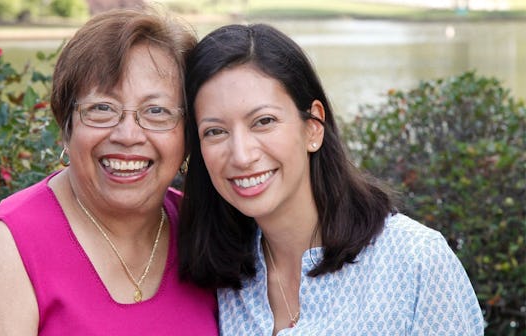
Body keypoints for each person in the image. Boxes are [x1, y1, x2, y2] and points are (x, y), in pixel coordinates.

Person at [178, 23, 484, 335]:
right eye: (215, 131)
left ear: (313, 126)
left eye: (264, 121)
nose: (241, 155)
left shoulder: (417, 261)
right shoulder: (220, 279)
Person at [0, 6, 218, 335]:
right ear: (65, 125)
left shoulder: (205, 233)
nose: (128, 135)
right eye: (102, 108)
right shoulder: (9, 251)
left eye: (157, 111)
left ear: (187, 134)